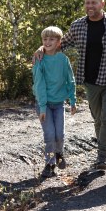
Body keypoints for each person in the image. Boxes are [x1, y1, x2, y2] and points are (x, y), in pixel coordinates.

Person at [35, 0, 106, 170]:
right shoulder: (78, 26)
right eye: (87, 3)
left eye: (94, 2)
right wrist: (41, 49)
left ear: (102, 4)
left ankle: (102, 158)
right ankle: (105, 151)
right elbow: (59, 45)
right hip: (90, 80)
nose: (90, 6)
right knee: (98, 119)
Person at [32, 26, 77, 178]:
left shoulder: (63, 60)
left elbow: (70, 80)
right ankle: (49, 163)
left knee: (60, 134)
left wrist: (73, 100)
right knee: (49, 135)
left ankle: (59, 153)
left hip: (58, 104)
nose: (48, 41)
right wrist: (43, 108)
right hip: (43, 105)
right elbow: (39, 85)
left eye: (52, 39)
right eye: (45, 39)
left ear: (59, 42)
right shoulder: (39, 59)